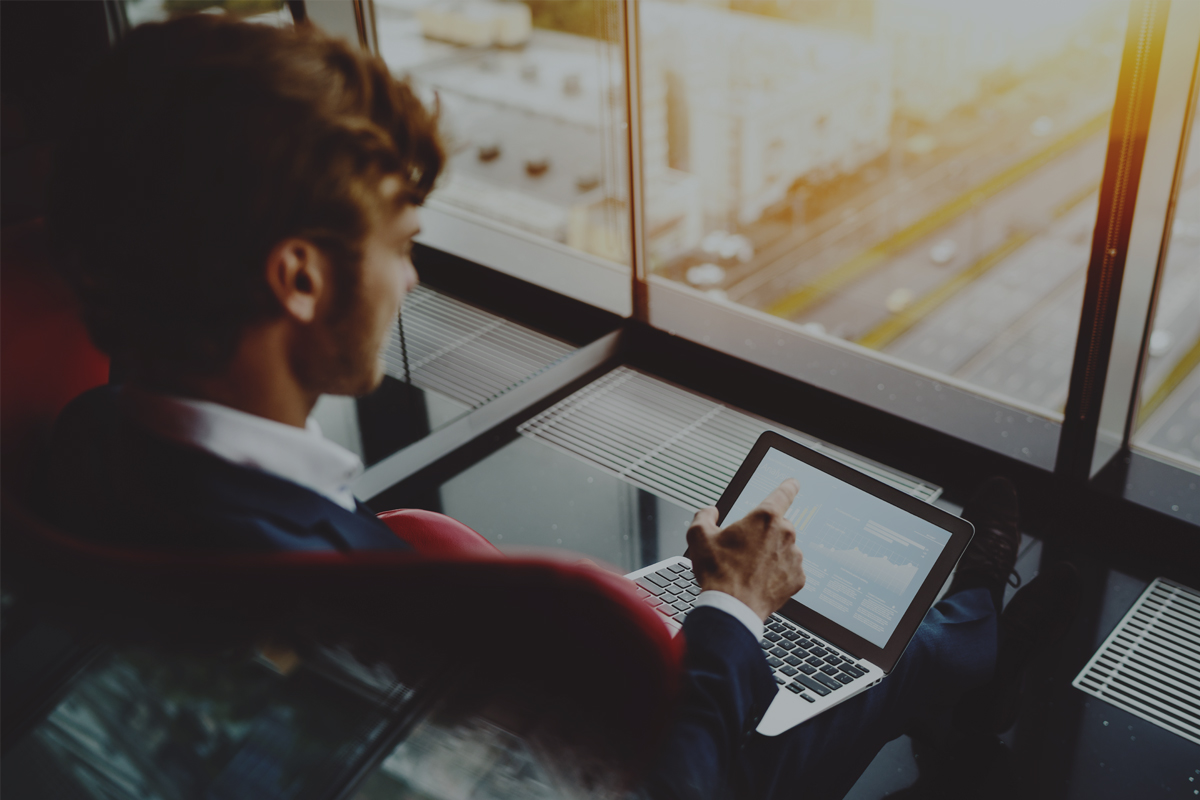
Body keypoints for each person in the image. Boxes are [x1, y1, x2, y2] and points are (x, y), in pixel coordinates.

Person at [45, 15, 1077, 799]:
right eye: (401, 241)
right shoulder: (356, 601)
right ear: (302, 278)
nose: (410, 280)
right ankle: (971, 625)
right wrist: (731, 612)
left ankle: (957, 626)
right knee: (826, 687)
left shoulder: (81, 449)